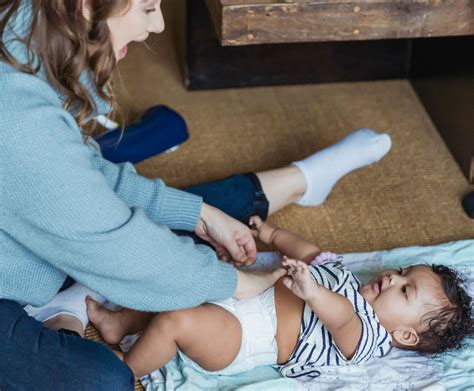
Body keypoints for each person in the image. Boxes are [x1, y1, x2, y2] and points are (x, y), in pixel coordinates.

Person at [0, 0, 392, 389]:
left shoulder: (25, 48)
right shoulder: (20, 115)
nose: (156, 27)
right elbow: (115, 243)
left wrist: (201, 214)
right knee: (102, 379)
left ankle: (300, 179)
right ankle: (65, 310)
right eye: (149, 8)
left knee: (185, 222)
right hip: (15, 284)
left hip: (37, 240)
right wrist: (235, 282)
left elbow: (87, 178)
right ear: (87, 6)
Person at [86, 216, 473, 380]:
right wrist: (271, 233)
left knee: (177, 321)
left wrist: (313, 292)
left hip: (245, 337)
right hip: (239, 292)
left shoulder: (369, 337)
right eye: (402, 273)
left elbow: (341, 319)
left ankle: (128, 368)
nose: (391, 277)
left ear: (405, 335)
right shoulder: (343, 275)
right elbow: (310, 253)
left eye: (404, 290)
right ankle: (119, 323)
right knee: (178, 284)